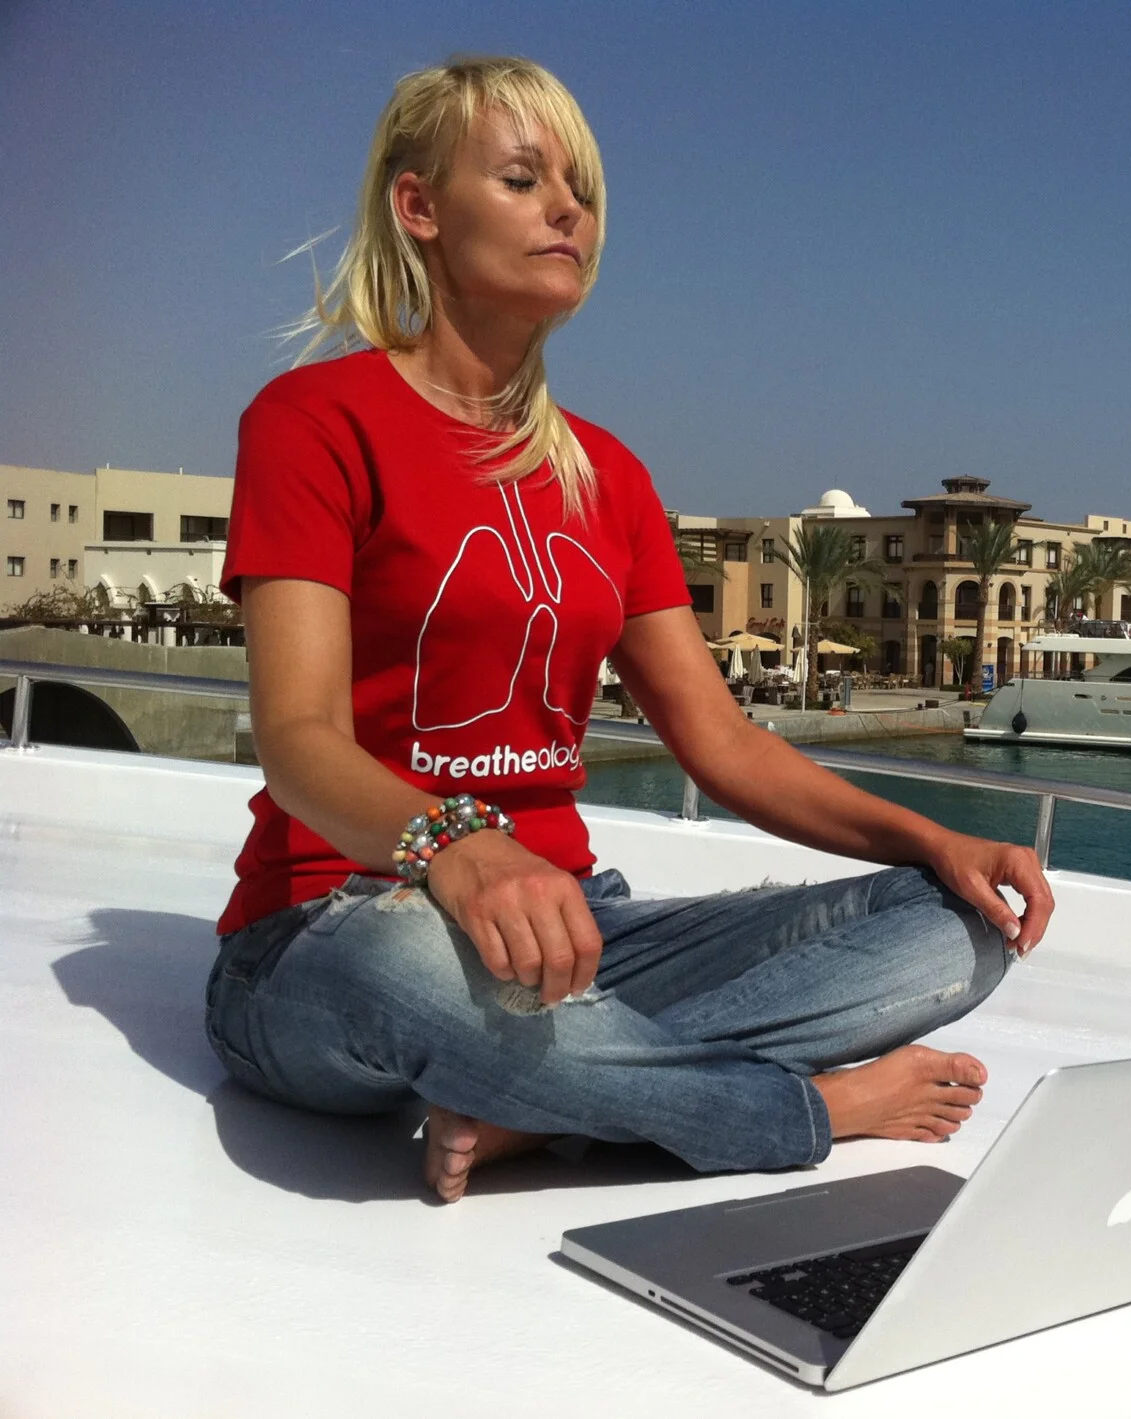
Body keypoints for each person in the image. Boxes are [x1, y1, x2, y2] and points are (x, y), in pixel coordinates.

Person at [203, 57, 1053, 1204]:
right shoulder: (316, 421)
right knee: (410, 968)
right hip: (336, 926)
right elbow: (298, 737)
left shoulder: (608, 475)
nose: (568, 210)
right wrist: (454, 845)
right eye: (520, 178)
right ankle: (797, 1109)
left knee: (955, 926)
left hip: (579, 936)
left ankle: (547, 1107)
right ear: (419, 210)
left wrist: (929, 841)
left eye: (583, 189)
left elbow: (724, 745)